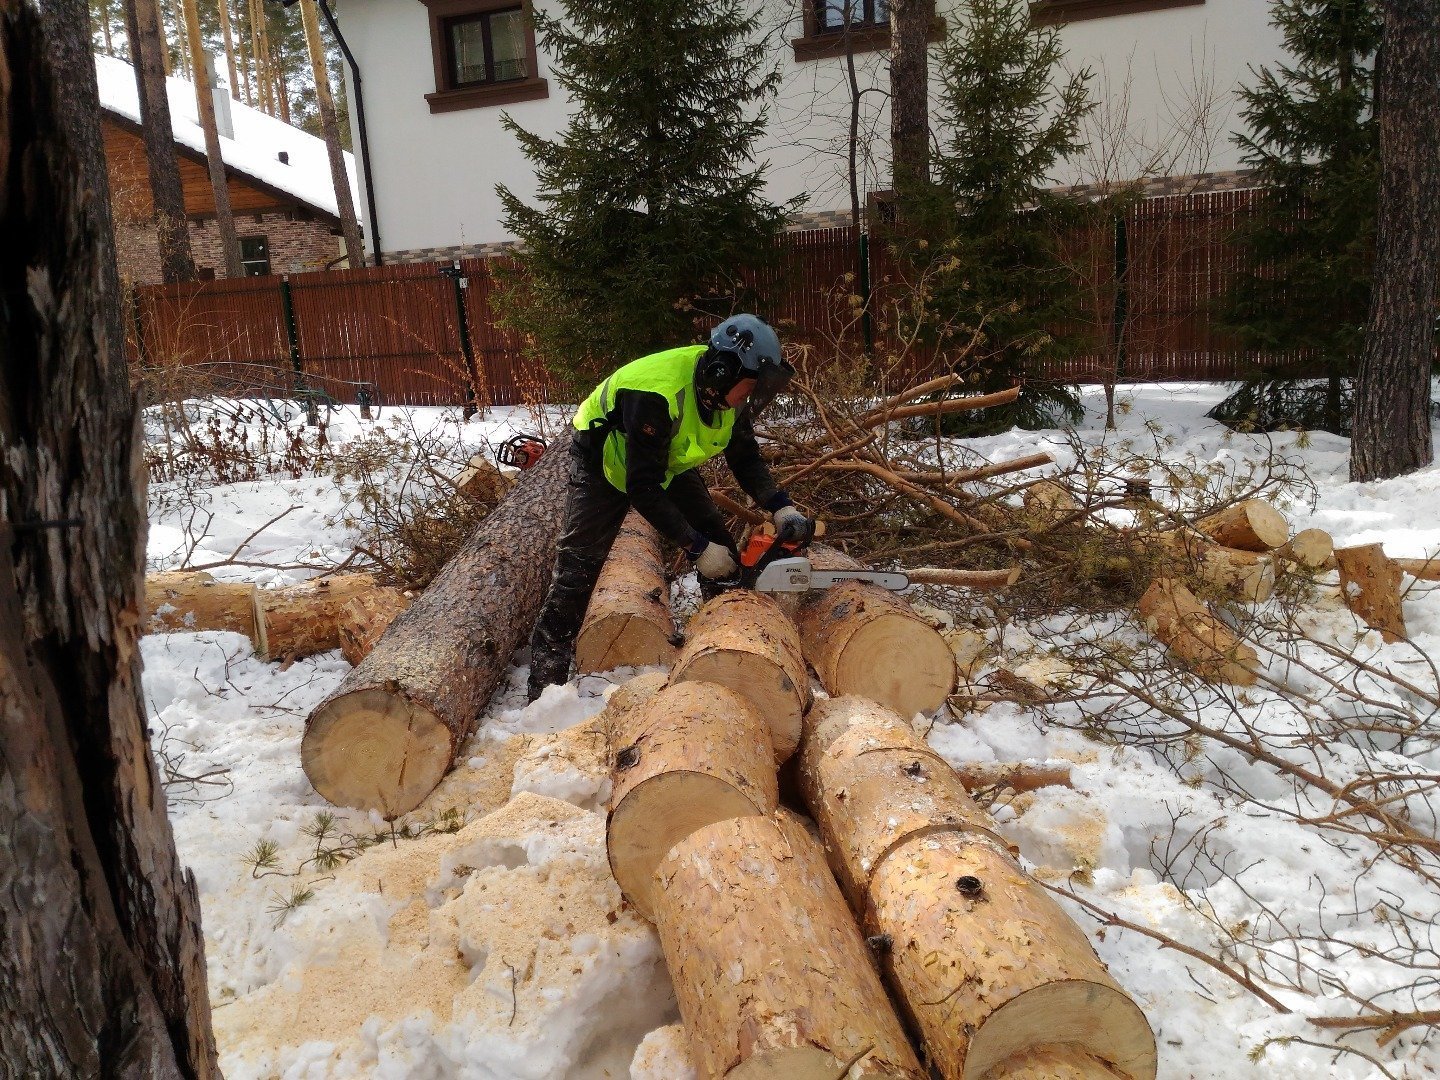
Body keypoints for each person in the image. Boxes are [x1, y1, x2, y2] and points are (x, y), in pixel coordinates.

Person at [526, 314, 810, 702]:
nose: (749, 397)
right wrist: (694, 548)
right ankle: (545, 687)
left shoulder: (728, 394)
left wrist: (780, 507)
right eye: (748, 388)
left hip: (665, 458)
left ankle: (723, 641)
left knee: (718, 539)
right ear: (724, 371)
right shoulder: (656, 394)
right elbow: (642, 488)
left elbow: (745, 458)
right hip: (604, 459)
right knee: (579, 566)